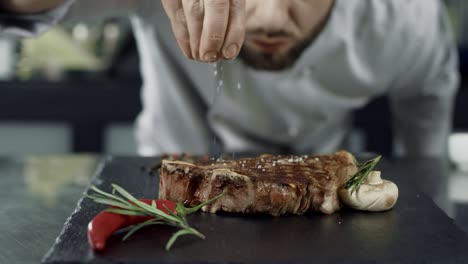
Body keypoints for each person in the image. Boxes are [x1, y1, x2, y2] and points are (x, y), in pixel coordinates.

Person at [0, 0, 459, 157]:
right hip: (166, 189)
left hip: (319, 195)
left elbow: (429, 99)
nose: (271, 19)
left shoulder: (402, 21)